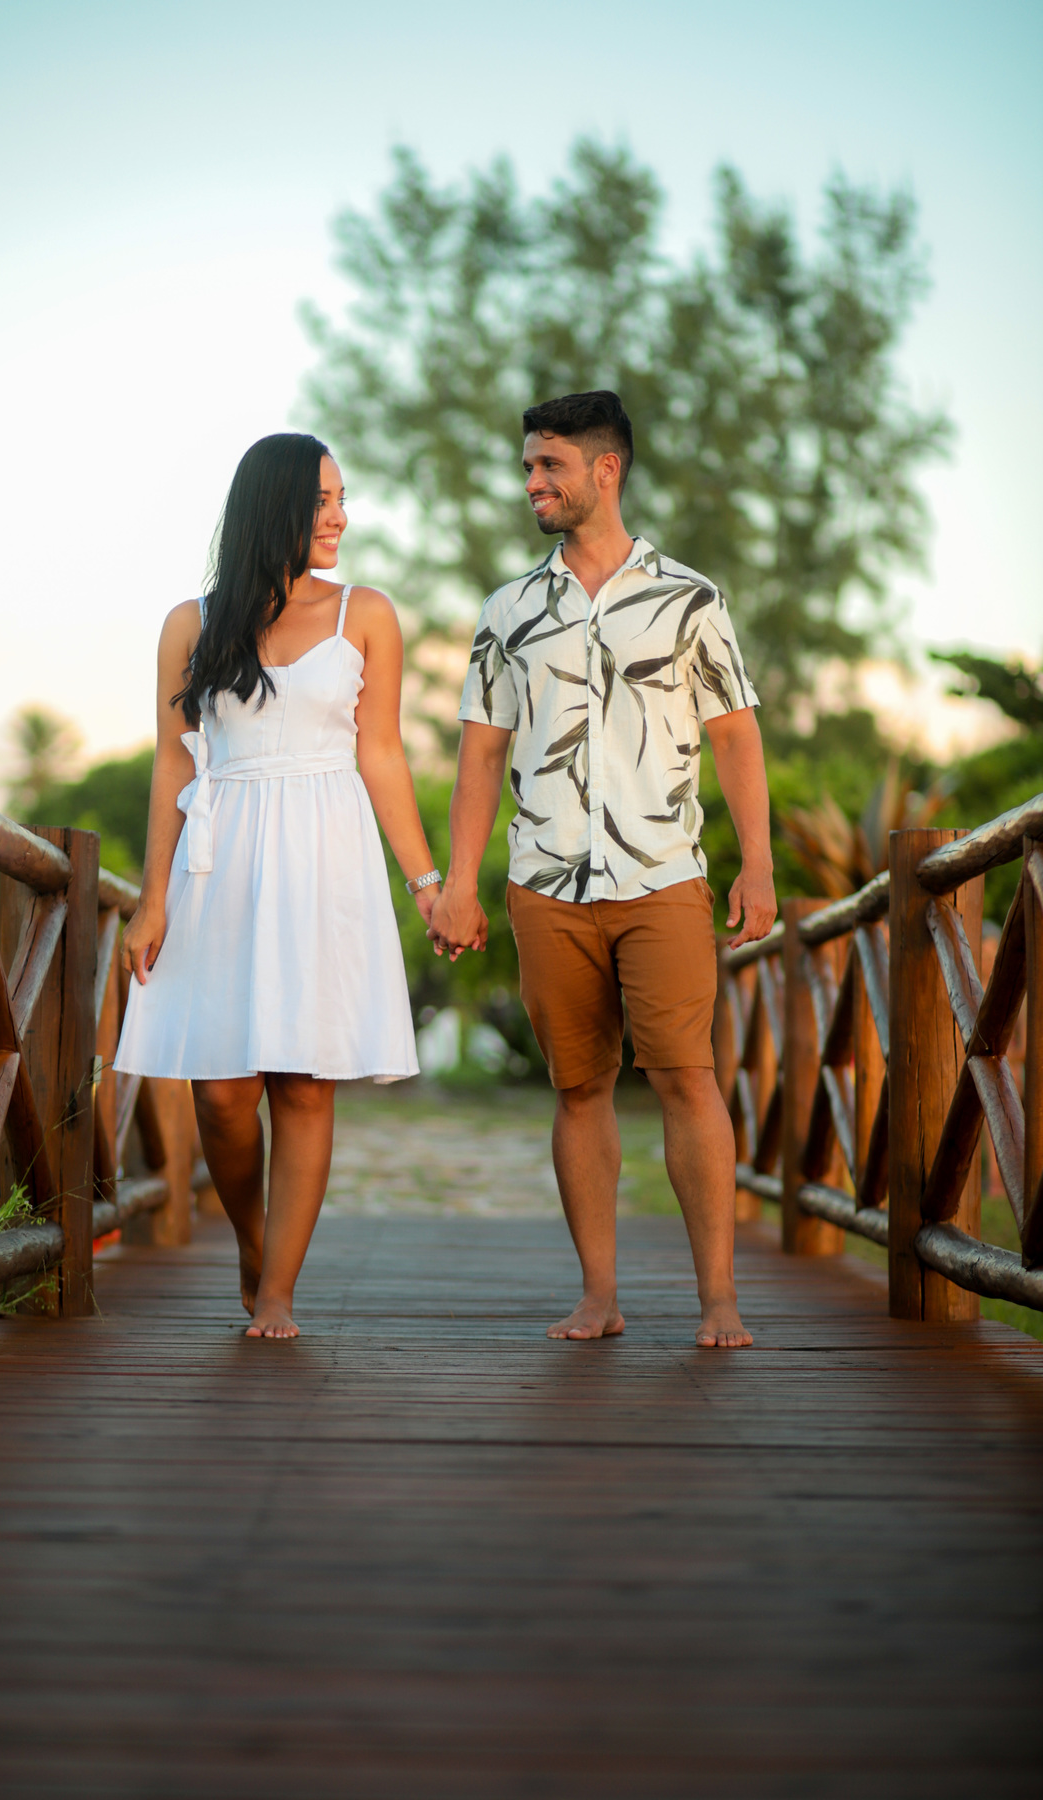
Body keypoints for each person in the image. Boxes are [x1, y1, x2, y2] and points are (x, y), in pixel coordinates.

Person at [429, 391, 776, 1348]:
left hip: (663, 876)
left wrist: (757, 865)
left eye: (549, 466)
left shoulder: (691, 599)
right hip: (546, 882)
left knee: (687, 1078)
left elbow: (736, 736)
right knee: (577, 1088)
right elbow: (480, 755)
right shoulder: (508, 611)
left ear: (605, 469)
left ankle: (719, 1301)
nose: (531, 483)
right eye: (528, 467)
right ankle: (598, 1296)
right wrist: (459, 883)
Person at [116, 433, 441, 1338]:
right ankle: (254, 1244)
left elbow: (382, 754)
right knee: (221, 1093)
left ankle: (278, 1292)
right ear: (276, 507)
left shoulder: (366, 614)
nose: (340, 517)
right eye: (323, 500)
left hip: (327, 857)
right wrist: (152, 898)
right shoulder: (192, 623)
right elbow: (173, 761)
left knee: (304, 1082)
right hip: (222, 858)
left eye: (343, 499)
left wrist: (426, 882)